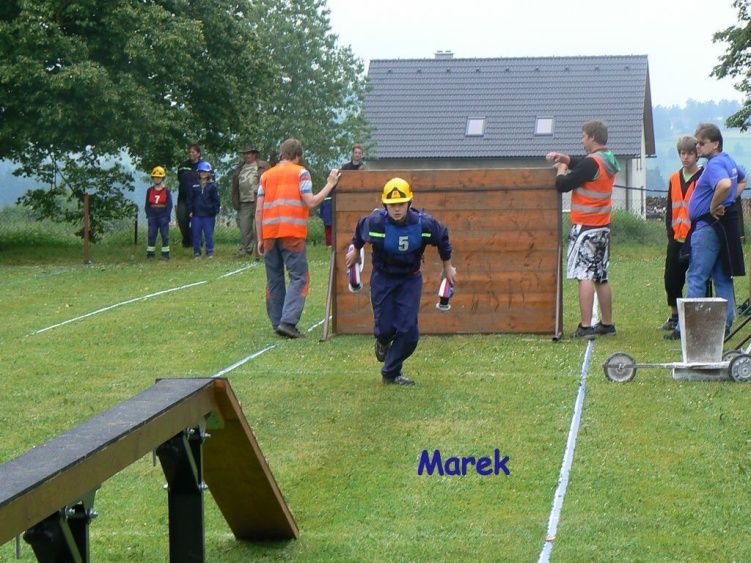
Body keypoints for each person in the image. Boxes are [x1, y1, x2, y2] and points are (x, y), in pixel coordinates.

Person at [345, 178, 457, 386]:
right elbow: (360, 230)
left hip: (409, 279)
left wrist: (447, 267)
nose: (396, 209)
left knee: (408, 331)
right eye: (392, 205)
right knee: (385, 328)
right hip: (383, 278)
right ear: (385, 205)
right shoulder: (376, 222)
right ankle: (382, 342)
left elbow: (443, 237)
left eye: (401, 204)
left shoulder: (424, 224)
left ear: (409, 203)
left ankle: (391, 372)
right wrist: (356, 251)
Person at [256, 138, 340, 338]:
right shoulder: (301, 173)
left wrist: (260, 238)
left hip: (269, 234)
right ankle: (288, 322)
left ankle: (277, 321)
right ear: (297, 156)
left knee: (274, 278)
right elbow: (311, 202)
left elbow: (259, 210)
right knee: (299, 277)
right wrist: (330, 184)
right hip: (292, 233)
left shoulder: (266, 176)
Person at [546, 120, 620, 340]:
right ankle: (607, 324)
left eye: (583, 136)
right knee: (601, 276)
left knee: (584, 275)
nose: (582, 140)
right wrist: (566, 158)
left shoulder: (591, 163)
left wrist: (561, 169)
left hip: (586, 227)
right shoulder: (609, 159)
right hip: (602, 226)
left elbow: (562, 185)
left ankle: (586, 326)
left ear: (592, 137)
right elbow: (583, 165)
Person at [671, 123, 747, 338]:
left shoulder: (714, 165)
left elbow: (724, 185)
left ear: (715, 144)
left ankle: (686, 329)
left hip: (708, 227)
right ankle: (724, 327)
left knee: (697, 276)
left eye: (701, 143)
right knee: (722, 276)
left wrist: (714, 205)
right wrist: (728, 200)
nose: (698, 147)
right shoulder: (728, 160)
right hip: (723, 228)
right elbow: (742, 179)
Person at [661, 137, 704, 337]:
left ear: (696, 155)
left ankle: (694, 317)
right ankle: (675, 316)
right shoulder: (674, 178)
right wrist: (670, 233)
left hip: (695, 237)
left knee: (696, 278)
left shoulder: (703, 177)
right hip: (676, 238)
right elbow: (670, 208)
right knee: (671, 278)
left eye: (689, 153)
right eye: (682, 153)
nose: (686, 157)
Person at [320, 144, 367, 247]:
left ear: (362, 155)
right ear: (352, 154)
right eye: (356, 153)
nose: (357, 155)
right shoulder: (345, 168)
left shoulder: (364, 169)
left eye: (359, 153)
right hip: (346, 198)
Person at [231, 145, 270, 259]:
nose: (246, 155)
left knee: (260, 227)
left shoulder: (263, 166)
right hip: (243, 202)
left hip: (259, 201)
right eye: (244, 154)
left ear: (254, 154)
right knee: (244, 227)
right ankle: (246, 250)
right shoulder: (240, 168)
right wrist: (235, 199)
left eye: (248, 153)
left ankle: (261, 250)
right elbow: (235, 186)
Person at [188, 161, 221, 258]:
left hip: (209, 215)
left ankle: (210, 252)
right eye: (201, 171)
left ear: (209, 173)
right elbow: (189, 199)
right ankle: (197, 252)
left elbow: (216, 200)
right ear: (198, 172)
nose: (203, 173)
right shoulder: (194, 185)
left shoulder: (213, 186)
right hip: (196, 214)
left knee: (208, 234)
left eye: (205, 172)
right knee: (196, 235)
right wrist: (190, 210)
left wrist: (215, 211)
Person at [144, 166, 173, 260]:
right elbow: (147, 204)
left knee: (165, 235)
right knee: (151, 235)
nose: (157, 179)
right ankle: (150, 254)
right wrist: (149, 215)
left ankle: (165, 254)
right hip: (153, 216)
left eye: (159, 177)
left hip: (163, 215)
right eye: (155, 177)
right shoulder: (149, 190)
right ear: (153, 178)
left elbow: (169, 204)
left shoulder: (166, 190)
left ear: (162, 178)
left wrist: (167, 216)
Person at [176, 143, 202, 248]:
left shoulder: (203, 166)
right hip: (183, 198)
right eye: (190, 152)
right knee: (182, 220)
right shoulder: (182, 166)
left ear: (198, 154)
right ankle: (186, 241)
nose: (191, 154)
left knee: (197, 222)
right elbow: (179, 178)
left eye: (193, 152)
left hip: (197, 199)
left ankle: (197, 241)